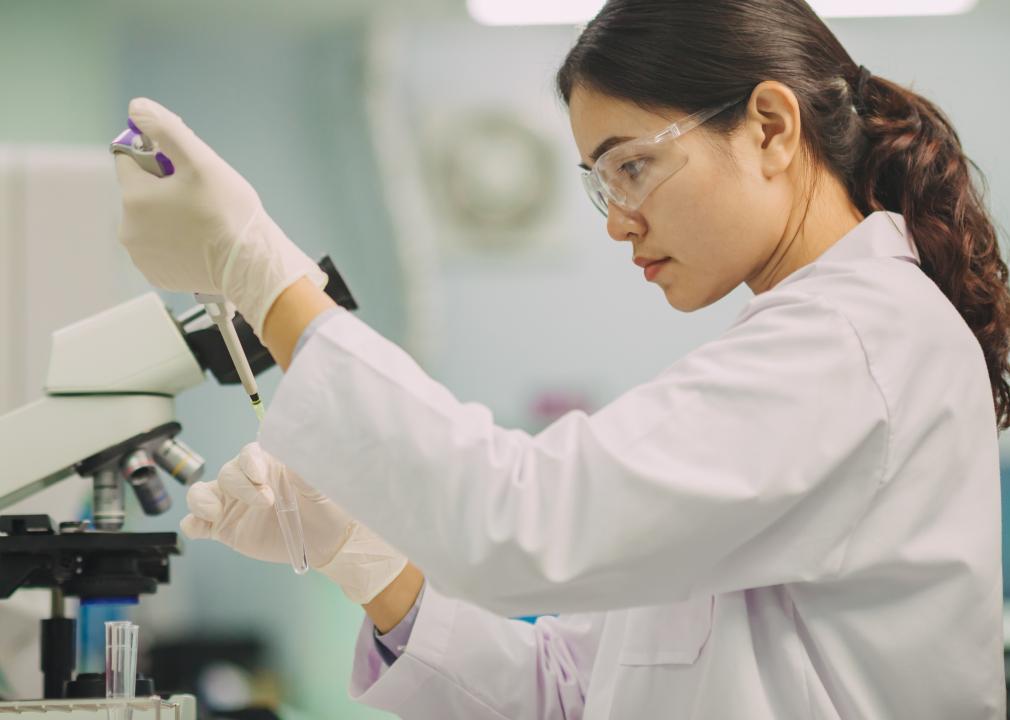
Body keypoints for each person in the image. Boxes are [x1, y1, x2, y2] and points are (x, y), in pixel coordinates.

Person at [113, 0, 1010, 716]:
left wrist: (263, 273)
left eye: (631, 167)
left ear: (770, 127)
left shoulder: (857, 342)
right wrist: (369, 565)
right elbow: (572, 693)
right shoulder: (800, 352)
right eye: (598, 183)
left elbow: (522, 520)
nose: (618, 219)